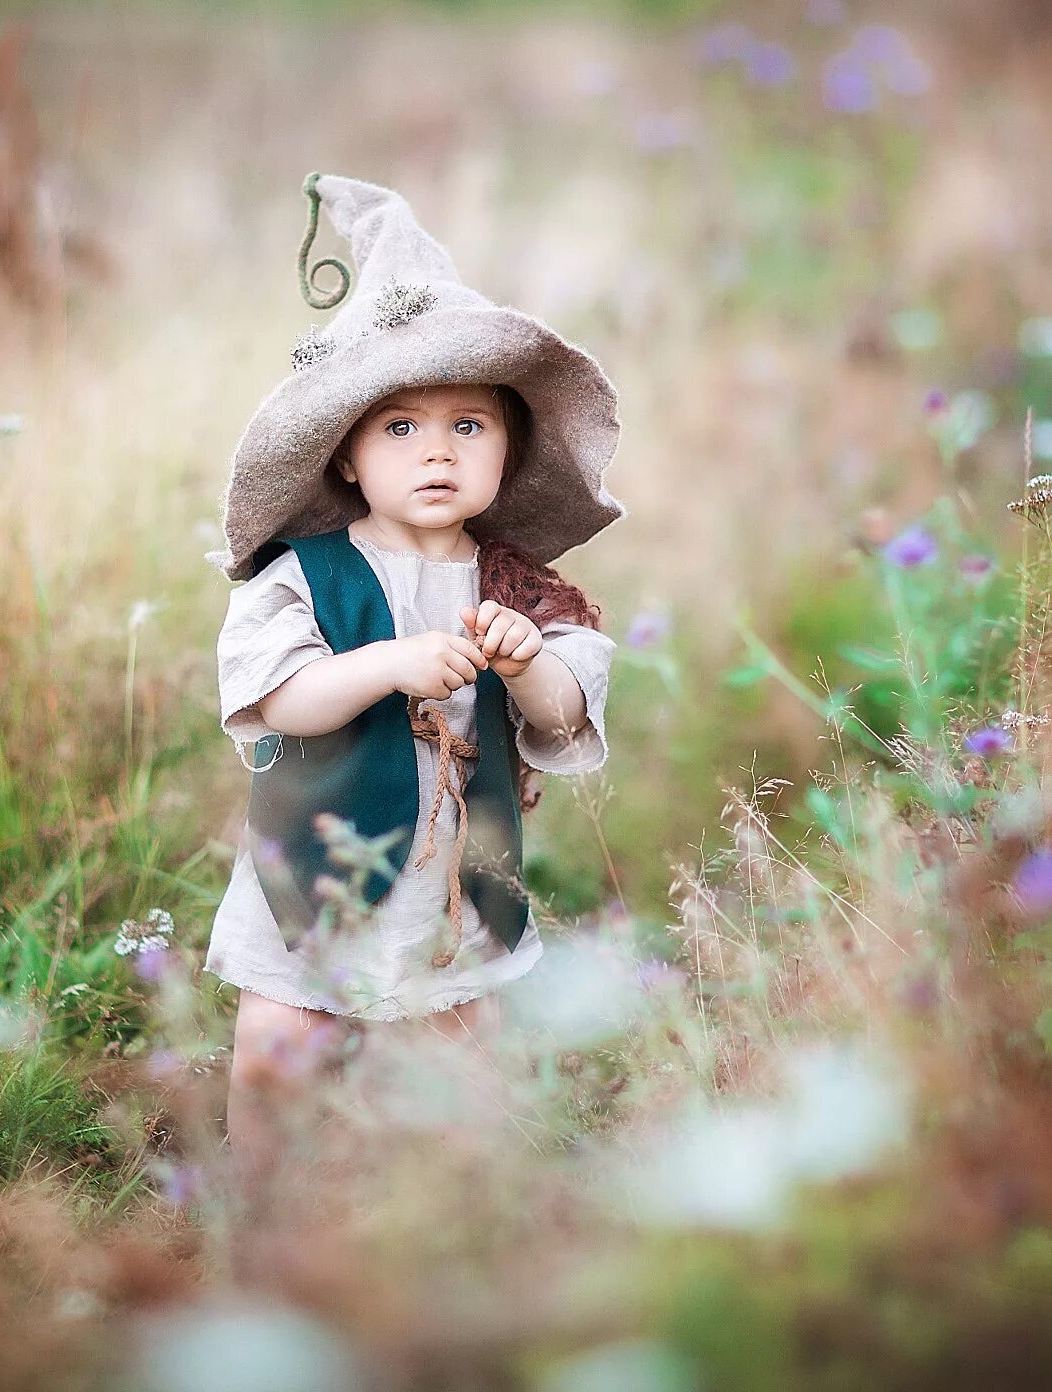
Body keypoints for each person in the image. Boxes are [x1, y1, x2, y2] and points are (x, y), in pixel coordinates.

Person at [201, 172, 626, 1175]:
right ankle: (264, 1202)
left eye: (466, 425)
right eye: (400, 426)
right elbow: (278, 700)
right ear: (345, 455)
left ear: (507, 448)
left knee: (456, 1044)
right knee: (281, 1042)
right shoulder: (303, 578)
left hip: (453, 875)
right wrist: (386, 664)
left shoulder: (518, 585)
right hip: (318, 859)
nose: (435, 450)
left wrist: (524, 666)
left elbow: (564, 716)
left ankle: (446, 1207)